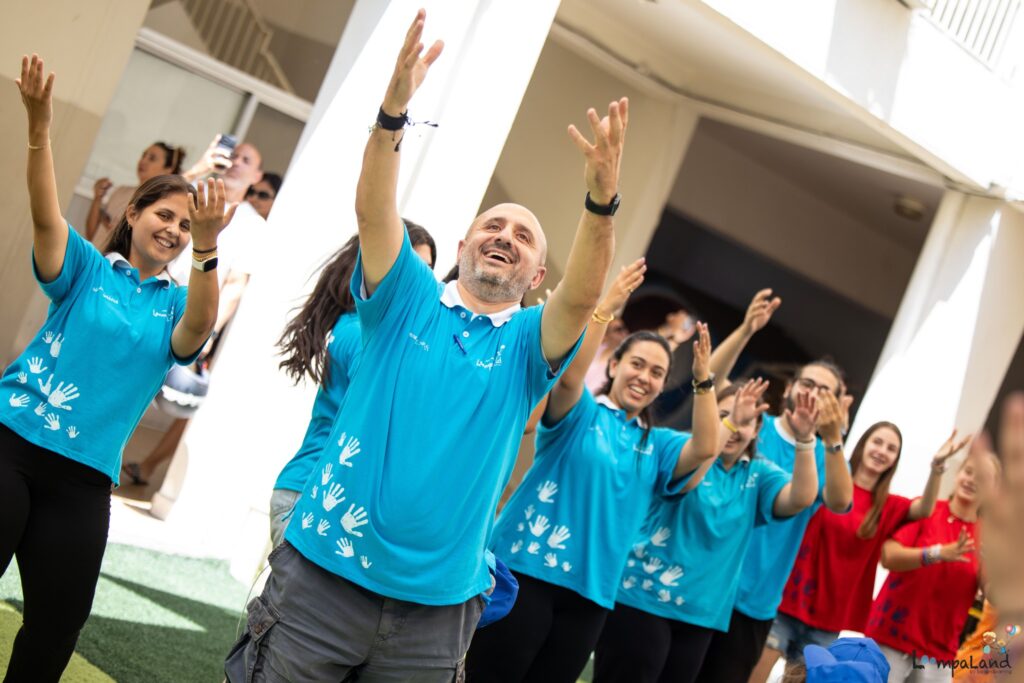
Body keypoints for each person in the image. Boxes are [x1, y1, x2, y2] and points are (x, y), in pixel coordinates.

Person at [223, 10, 627, 681]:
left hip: (436, 615)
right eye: (493, 225)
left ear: (537, 278)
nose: (506, 236)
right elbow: (373, 211)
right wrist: (392, 114)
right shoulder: (404, 297)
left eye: (524, 237)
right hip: (322, 577)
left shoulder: (528, 344)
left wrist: (602, 201)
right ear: (463, 246)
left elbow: (584, 297)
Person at [0, 55, 231, 682]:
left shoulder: (178, 304)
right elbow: (45, 213)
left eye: (184, 224)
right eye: (164, 215)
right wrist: (39, 127)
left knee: (56, 626)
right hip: (12, 443)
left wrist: (208, 244)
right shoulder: (85, 268)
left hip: (83, 480)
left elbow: (200, 326)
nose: (173, 229)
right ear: (133, 215)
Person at [467, 261, 722, 683]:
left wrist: (702, 379)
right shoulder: (583, 412)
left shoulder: (658, 445)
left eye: (657, 372)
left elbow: (707, 446)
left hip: (592, 595)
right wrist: (606, 309)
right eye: (637, 364)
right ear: (615, 365)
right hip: (524, 571)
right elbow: (569, 380)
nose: (644, 377)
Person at [594, 381, 820, 683]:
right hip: (643, 599)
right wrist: (731, 422)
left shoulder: (759, 474)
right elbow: (694, 468)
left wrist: (805, 440)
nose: (736, 426)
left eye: (746, 421)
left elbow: (801, 498)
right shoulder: (682, 449)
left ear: (757, 431)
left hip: (701, 615)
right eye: (724, 415)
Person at [695, 292, 854, 683]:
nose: (812, 393)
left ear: (837, 405)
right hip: (704, 580)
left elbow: (841, 501)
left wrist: (832, 436)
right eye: (807, 383)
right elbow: (707, 383)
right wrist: (747, 330)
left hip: (755, 602)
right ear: (788, 389)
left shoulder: (826, 455)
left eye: (825, 391)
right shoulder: (749, 426)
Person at [270, 221, 437, 546]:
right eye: (413, 267)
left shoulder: (355, 327)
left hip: (314, 492)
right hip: (312, 494)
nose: (423, 280)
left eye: (428, 271)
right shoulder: (362, 334)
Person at [761, 425, 971, 676]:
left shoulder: (888, 506)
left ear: (895, 460)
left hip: (829, 620)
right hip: (787, 600)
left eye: (891, 448)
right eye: (877, 442)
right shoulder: (827, 482)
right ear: (863, 444)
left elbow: (925, 509)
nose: (882, 451)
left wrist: (937, 467)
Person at [122, 138, 268, 485]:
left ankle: (146, 466)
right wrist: (200, 167)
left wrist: (209, 331)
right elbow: (150, 205)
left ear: (257, 176)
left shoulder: (253, 226)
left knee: (169, 396)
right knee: (127, 379)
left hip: (192, 319)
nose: (235, 161)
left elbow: (235, 284)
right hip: (153, 299)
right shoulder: (191, 194)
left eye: (246, 159)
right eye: (233, 154)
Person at [864, 444, 1001, 681]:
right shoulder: (928, 510)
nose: (971, 480)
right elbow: (888, 557)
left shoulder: (986, 538)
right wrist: (937, 553)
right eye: (968, 471)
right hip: (890, 638)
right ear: (958, 474)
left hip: (938, 654)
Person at [85, 141, 185, 247]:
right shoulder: (121, 191)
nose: (143, 161)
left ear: (168, 170)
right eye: (143, 155)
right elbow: (92, 235)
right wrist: (98, 198)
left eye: (152, 158)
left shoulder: (159, 205)